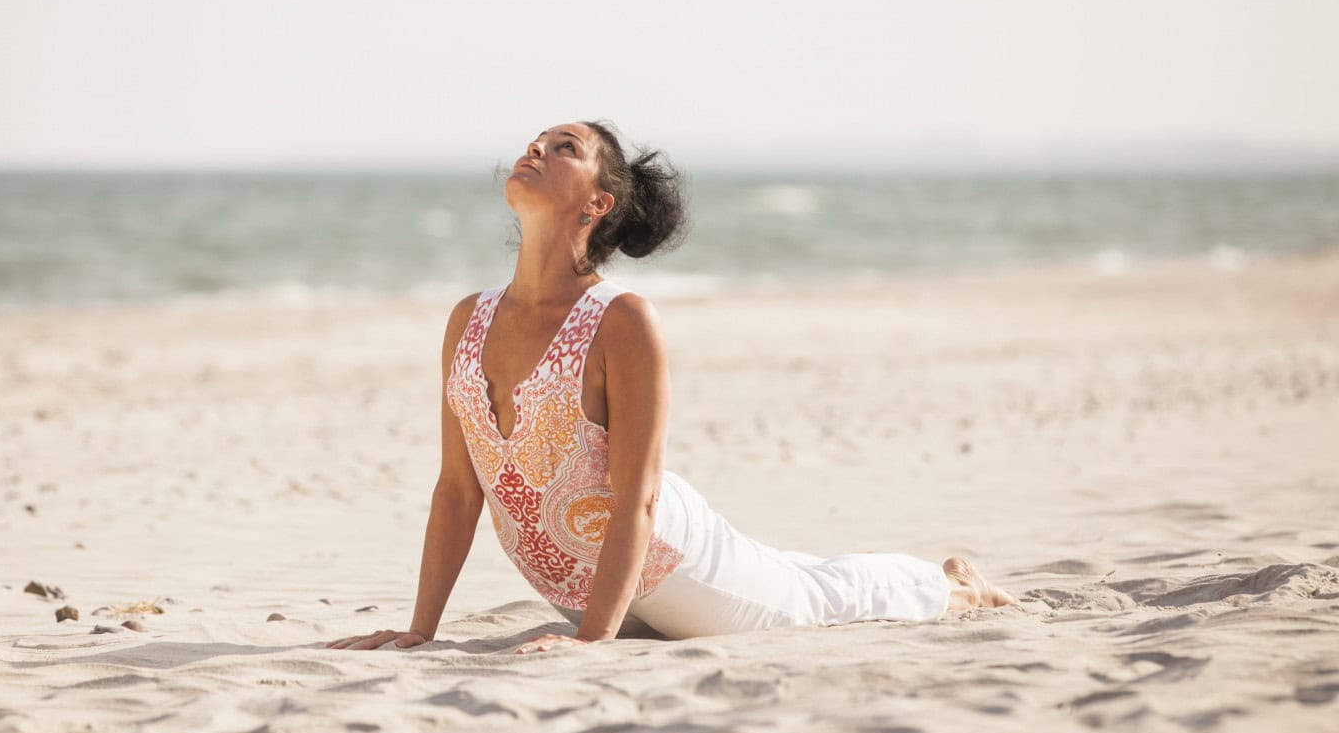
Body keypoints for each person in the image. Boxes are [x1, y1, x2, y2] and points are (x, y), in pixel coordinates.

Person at [328, 122, 1015, 654]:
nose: (535, 147)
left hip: (675, 574)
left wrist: (592, 644)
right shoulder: (467, 321)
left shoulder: (620, 320)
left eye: (562, 146)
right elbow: (457, 488)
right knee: (794, 573)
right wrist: (420, 630)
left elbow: (640, 497)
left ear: (596, 203)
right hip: (586, 592)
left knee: (811, 601)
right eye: (536, 139)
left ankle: (956, 587)